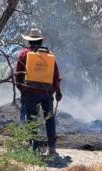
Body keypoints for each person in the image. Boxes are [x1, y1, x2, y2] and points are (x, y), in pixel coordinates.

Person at [15, 28, 62, 156]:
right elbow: (56, 76)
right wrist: (57, 92)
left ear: (29, 41)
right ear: (41, 41)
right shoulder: (49, 55)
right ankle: (52, 149)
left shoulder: (24, 54)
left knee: (31, 120)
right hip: (47, 94)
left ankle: (35, 149)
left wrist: (23, 90)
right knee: (49, 119)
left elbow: (18, 75)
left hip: (30, 93)